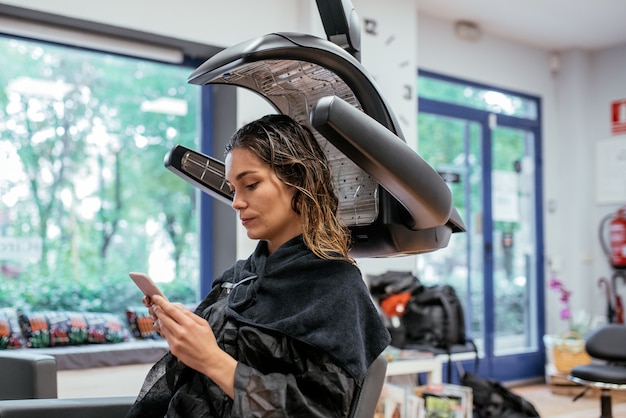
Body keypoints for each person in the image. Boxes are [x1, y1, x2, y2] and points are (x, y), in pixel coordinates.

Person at [126, 114, 391, 417]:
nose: (236, 202)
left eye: (250, 184)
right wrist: (180, 332)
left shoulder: (335, 287)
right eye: (233, 188)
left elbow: (318, 410)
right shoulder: (236, 280)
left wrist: (213, 359)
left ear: (296, 180)